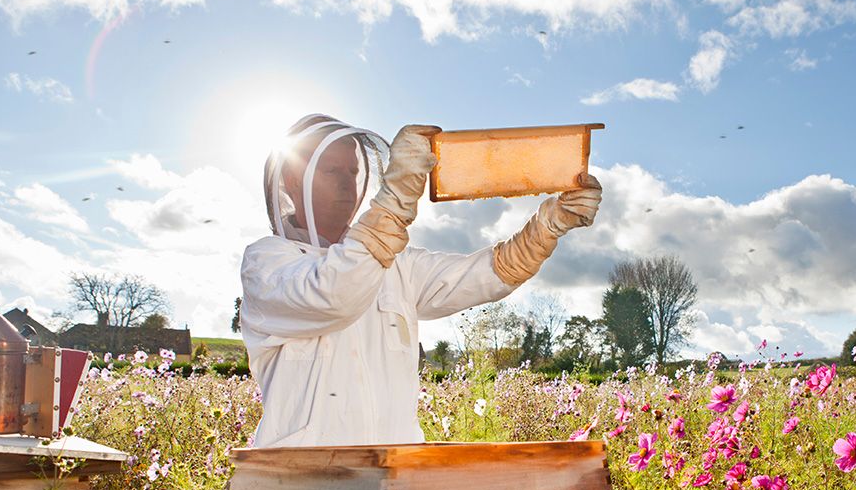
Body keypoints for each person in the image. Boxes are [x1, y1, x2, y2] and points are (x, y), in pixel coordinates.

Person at [239, 114, 601, 447]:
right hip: (300, 487)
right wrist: (395, 202)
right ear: (292, 180)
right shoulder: (266, 264)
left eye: (351, 172)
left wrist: (549, 227)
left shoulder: (397, 264)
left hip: (396, 477)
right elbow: (334, 294)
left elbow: (485, 274)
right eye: (331, 171)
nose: (346, 185)